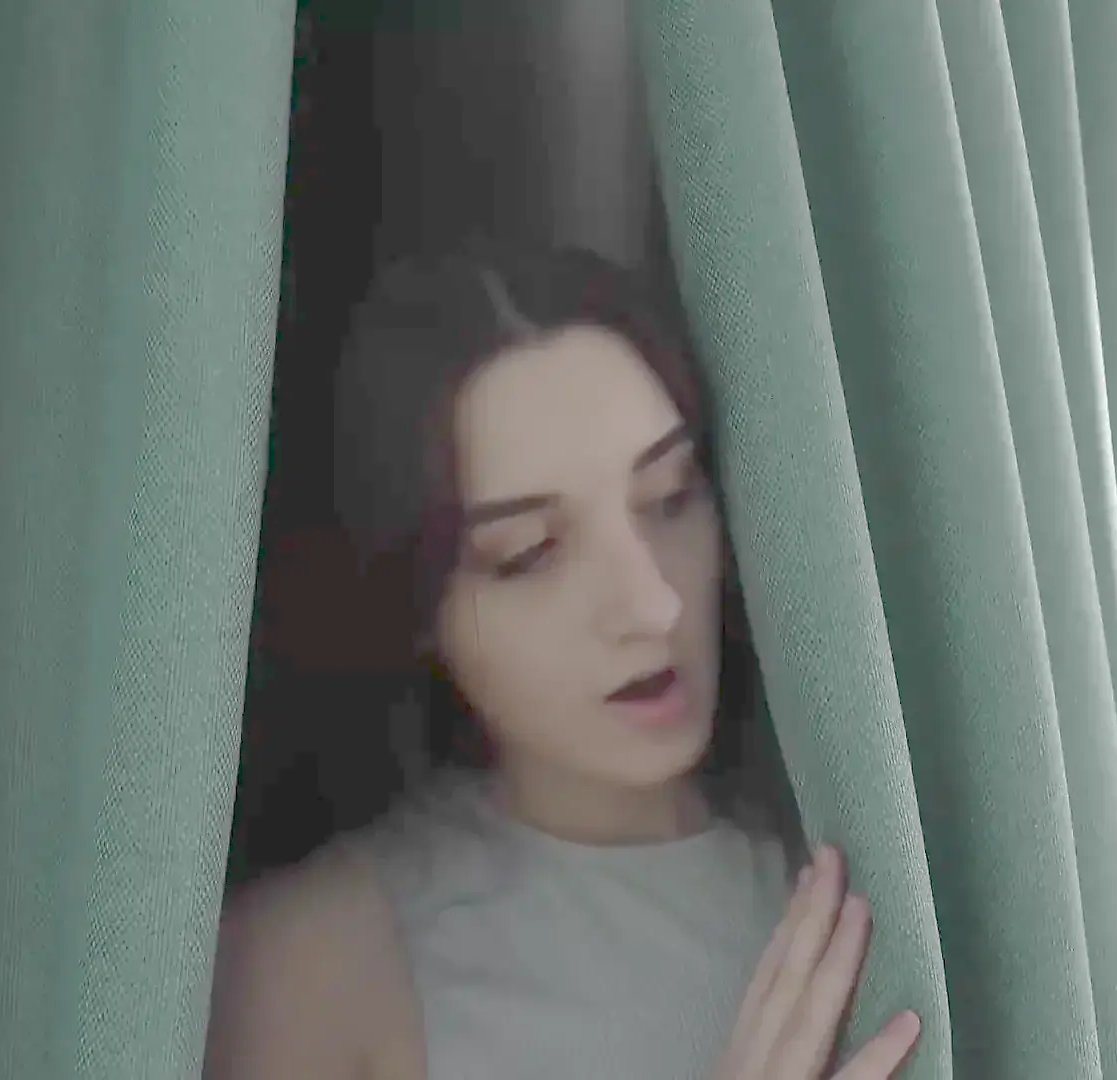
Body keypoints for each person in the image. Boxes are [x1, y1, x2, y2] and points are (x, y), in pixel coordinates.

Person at [206, 244, 921, 1079]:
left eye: (670, 498)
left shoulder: (878, 858)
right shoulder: (311, 965)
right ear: (419, 609)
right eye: (530, 553)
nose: (652, 606)